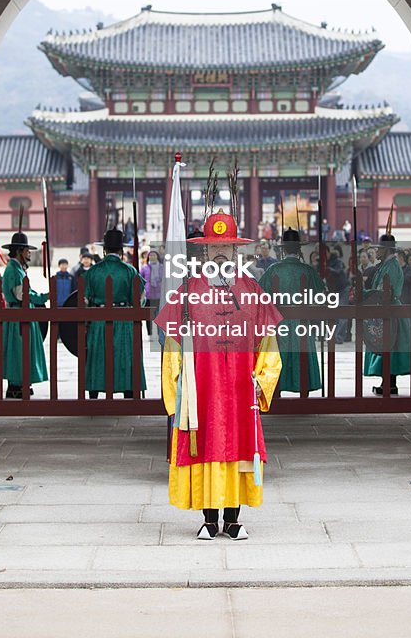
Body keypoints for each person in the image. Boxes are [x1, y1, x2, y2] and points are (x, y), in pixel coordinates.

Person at [155, 212, 282, 541]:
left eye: (227, 247)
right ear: (205, 251)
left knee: (238, 448)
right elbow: (172, 344)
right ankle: (210, 520)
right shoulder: (187, 292)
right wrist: (176, 384)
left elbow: (269, 343)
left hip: (240, 385)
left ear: (236, 251)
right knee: (206, 446)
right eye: (214, 246)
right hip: (203, 385)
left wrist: (262, 378)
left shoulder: (252, 291)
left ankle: (234, 519)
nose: (221, 252)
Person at [259, 227, 324, 393]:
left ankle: (277, 392)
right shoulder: (308, 271)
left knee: (279, 354)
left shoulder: (273, 270)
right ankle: (304, 392)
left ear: (283, 249)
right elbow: (320, 298)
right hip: (303, 323)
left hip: (278, 323)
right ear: (299, 248)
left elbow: (260, 296)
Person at [84, 228, 147, 399]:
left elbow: (84, 299)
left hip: (99, 320)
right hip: (124, 320)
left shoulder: (93, 271)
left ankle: (94, 392)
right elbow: (140, 299)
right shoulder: (130, 271)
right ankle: (128, 391)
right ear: (121, 250)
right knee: (125, 357)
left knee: (98, 356)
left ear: (104, 250)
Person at [362, 233, 411, 396]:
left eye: (379, 249)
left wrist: (365, 293)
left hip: (390, 311)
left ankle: (390, 383)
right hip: (385, 309)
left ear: (385, 250)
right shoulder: (386, 264)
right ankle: (387, 382)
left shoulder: (392, 266)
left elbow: (386, 291)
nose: (376, 252)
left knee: (391, 346)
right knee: (387, 347)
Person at [0, 230, 48, 399]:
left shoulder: (18, 269)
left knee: (23, 351)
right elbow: (22, 295)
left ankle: (22, 383)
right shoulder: (13, 270)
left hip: (22, 315)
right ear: (19, 251)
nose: (29, 253)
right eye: (27, 250)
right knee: (18, 351)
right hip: (18, 317)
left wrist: (42, 296)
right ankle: (16, 385)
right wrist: (43, 297)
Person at [141, 248, 164, 337]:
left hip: (159, 294)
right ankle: (149, 332)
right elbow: (140, 279)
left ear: (157, 256)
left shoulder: (162, 267)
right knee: (149, 315)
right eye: (150, 255)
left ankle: (159, 332)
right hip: (148, 294)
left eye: (154, 255)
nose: (152, 257)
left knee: (159, 314)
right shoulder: (144, 268)